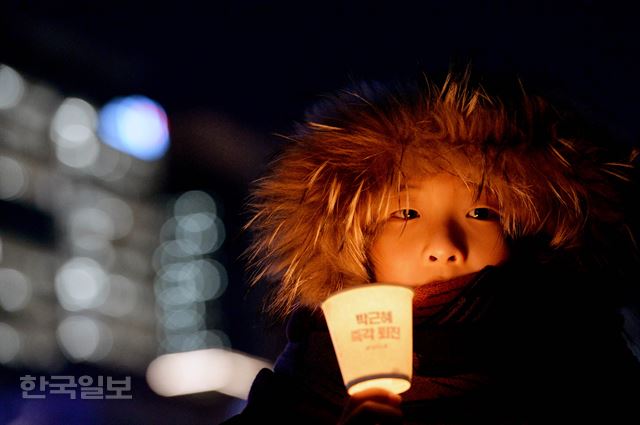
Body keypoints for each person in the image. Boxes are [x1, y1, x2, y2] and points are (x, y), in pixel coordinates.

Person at [222, 72, 640, 424]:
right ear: (352, 241)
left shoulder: (580, 362)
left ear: (532, 230)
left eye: (481, 213)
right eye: (405, 213)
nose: (443, 245)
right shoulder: (308, 383)